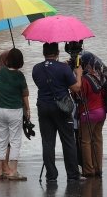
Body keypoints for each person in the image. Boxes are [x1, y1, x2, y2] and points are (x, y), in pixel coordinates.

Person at [32, 42, 83, 184]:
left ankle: (51, 176)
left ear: (43, 53)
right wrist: (78, 74)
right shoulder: (64, 68)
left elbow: (42, 83)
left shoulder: (36, 68)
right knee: (68, 141)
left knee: (48, 142)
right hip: (62, 108)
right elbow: (76, 88)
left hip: (43, 107)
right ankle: (73, 175)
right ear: (58, 52)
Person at [0, 48, 30, 180]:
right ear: (21, 62)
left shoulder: (1, 72)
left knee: (2, 140)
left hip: (1, 110)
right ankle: (13, 172)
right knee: (15, 141)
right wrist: (28, 110)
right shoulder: (20, 75)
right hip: (14, 110)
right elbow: (25, 94)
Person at [75, 52, 107, 178]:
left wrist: (76, 76)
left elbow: (78, 95)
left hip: (88, 113)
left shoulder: (85, 79)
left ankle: (88, 170)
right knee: (98, 140)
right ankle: (98, 168)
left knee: (85, 141)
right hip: (101, 112)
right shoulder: (100, 76)